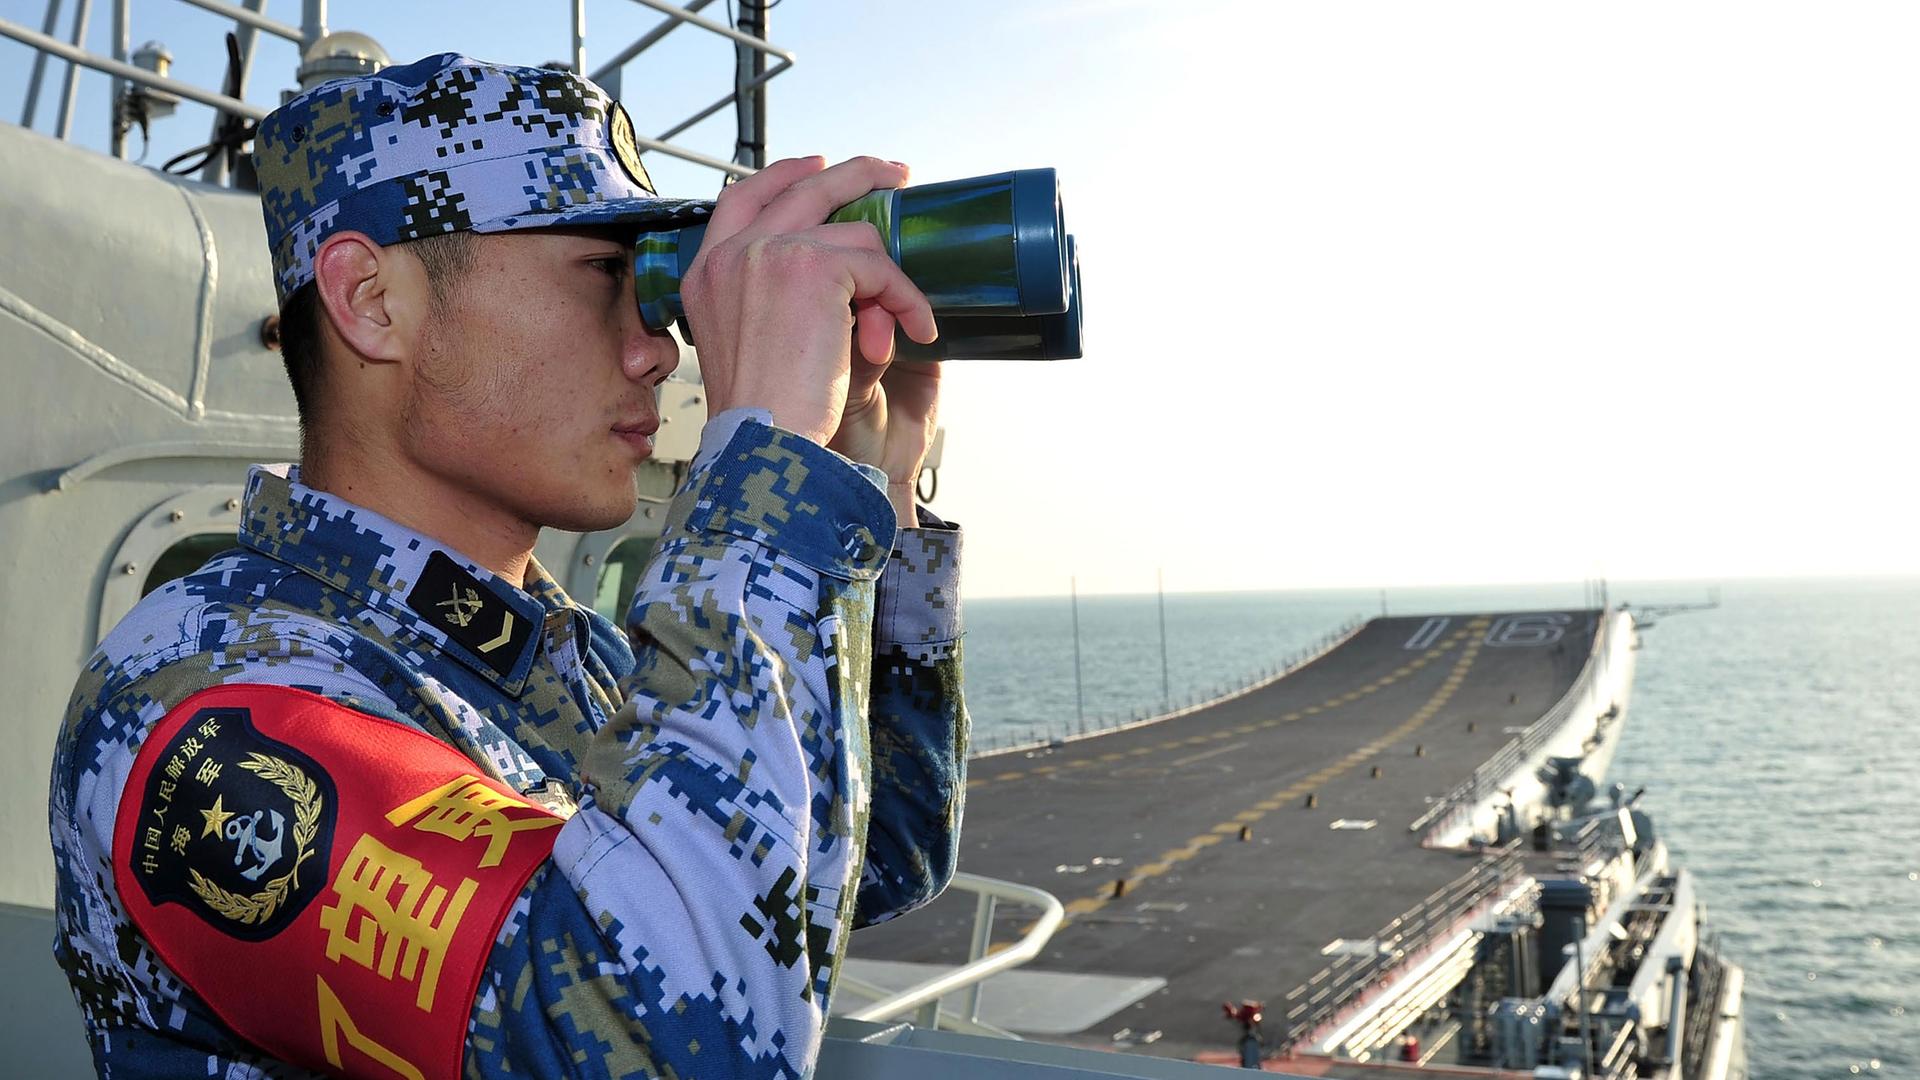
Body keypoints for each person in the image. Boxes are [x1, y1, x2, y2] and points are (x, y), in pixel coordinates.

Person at [48, 53, 969, 1079]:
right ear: (372, 299)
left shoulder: (562, 657)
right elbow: (685, 1051)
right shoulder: (210, 703)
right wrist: (765, 478)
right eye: (604, 276)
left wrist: (871, 474)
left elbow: (877, 858)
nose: (658, 351)